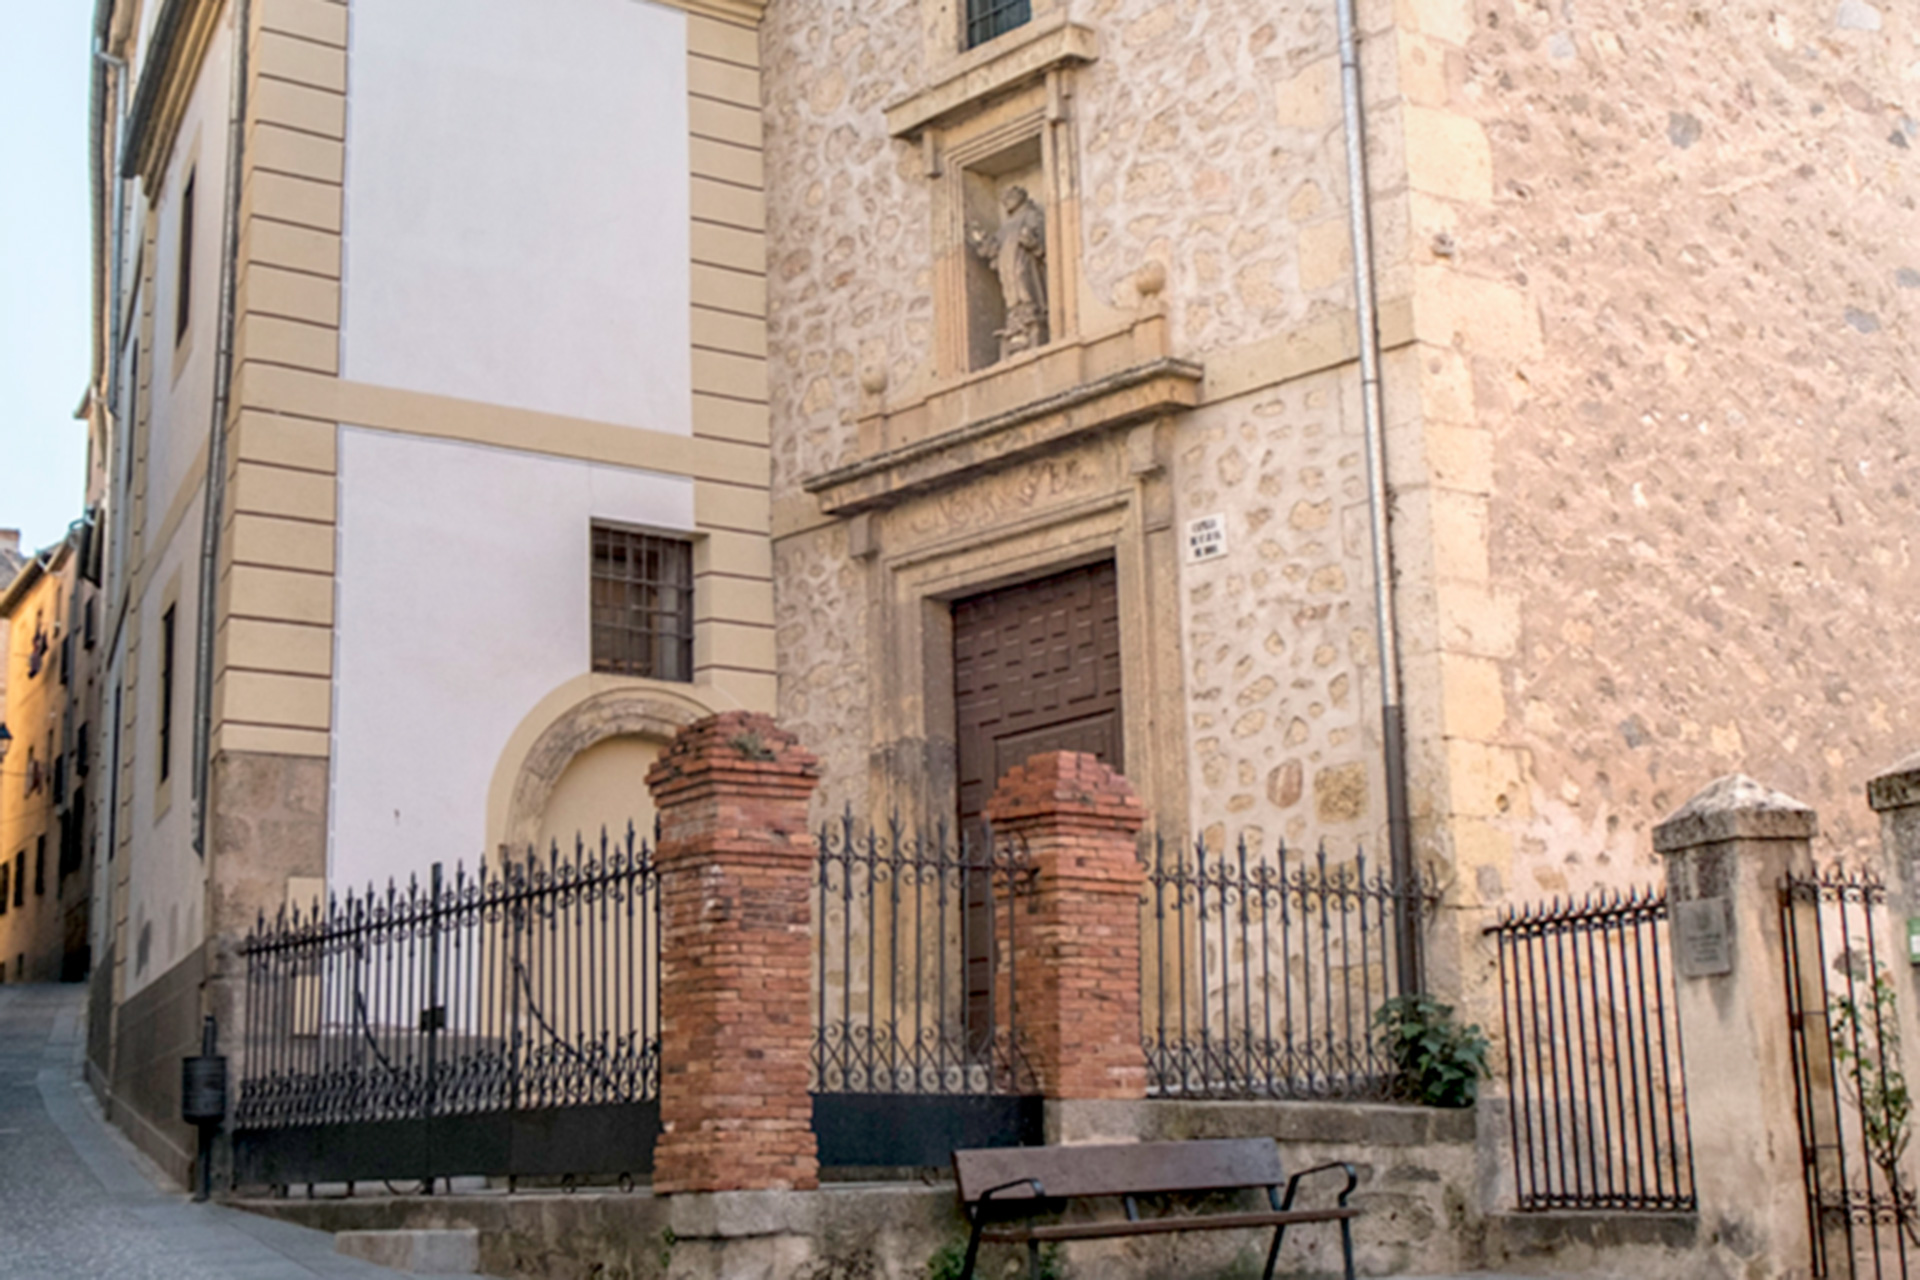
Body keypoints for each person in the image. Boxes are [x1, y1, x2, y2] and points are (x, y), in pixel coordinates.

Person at [970, 185, 1048, 359]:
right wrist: (981, 238)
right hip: (1006, 267)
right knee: (1010, 290)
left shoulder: (1031, 215)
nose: (1006, 201)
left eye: (1009, 197)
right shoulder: (1006, 227)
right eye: (1004, 199)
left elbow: (1040, 241)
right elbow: (993, 249)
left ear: (1020, 197)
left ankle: (1030, 318)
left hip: (1024, 262)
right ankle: (1015, 324)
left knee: (1022, 280)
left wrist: (1031, 242)